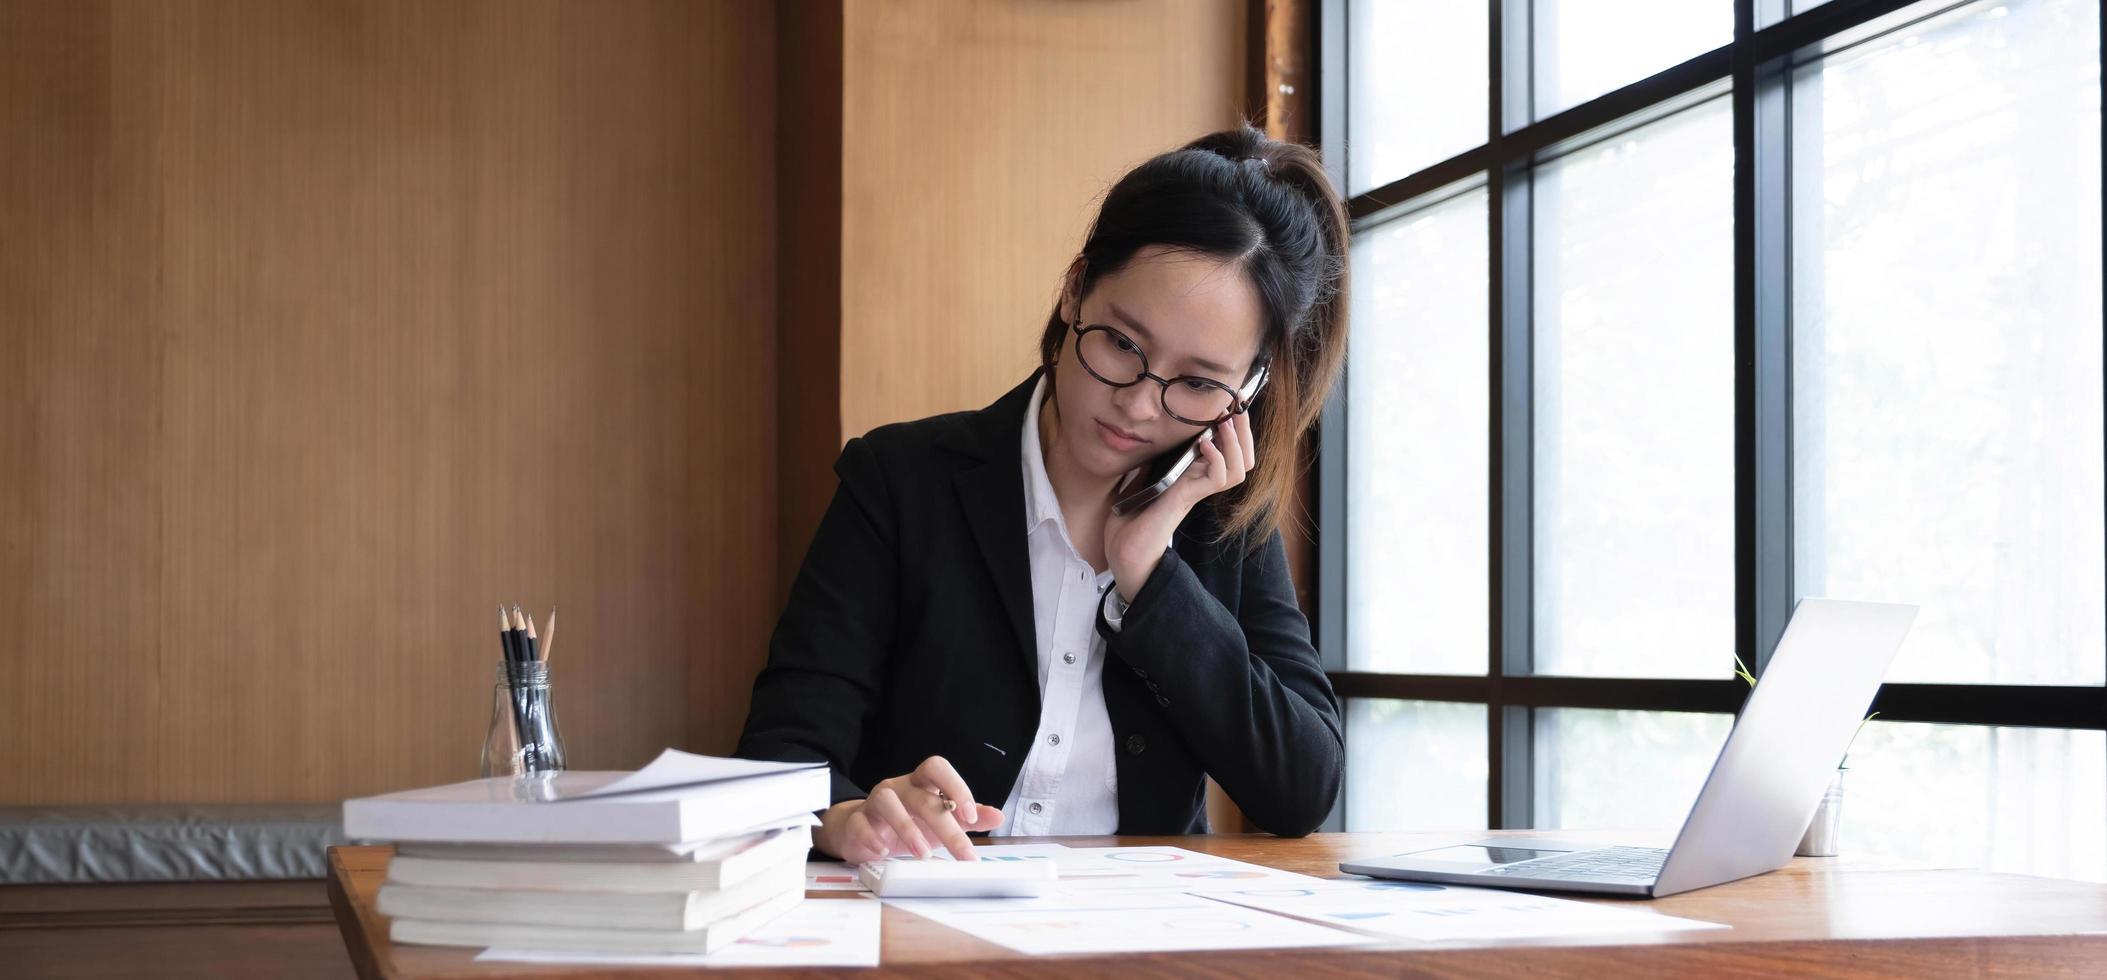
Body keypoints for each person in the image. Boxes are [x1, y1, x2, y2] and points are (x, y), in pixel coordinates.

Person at [735, 124, 1351, 863]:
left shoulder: (1219, 521)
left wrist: (1152, 575)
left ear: (1243, 391)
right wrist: (843, 816)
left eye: (1195, 383)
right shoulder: (901, 479)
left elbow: (1302, 787)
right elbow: (779, 758)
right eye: (1121, 344)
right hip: (919, 930)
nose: (1138, 404)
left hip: (1132, 943)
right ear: (1074, 289)